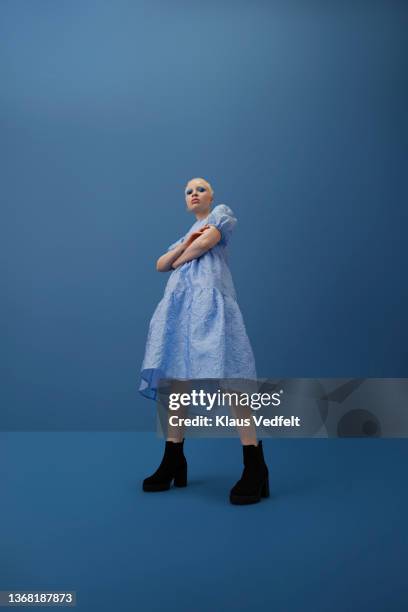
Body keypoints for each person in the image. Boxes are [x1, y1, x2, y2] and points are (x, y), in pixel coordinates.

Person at [139, 177, 269, 504]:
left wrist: (180, 256)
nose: (194, 193)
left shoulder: (219, 217)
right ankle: (173, 458)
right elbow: (160, 264)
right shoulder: (183, 236)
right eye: (188, 191)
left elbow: (206, 243)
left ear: (211, 196)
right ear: (186, 202)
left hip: (209, 305)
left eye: (200, 189)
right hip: (178, 310)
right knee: (175, 382)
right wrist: (184, 248)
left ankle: (255, 465)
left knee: (231, 378)